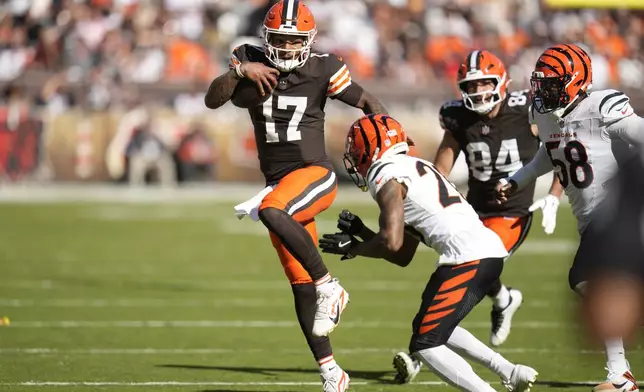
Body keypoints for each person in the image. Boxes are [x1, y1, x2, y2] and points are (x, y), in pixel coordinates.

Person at [204, 1, 387, 391]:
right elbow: (213, 98)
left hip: (314, 174)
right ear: (266, 39)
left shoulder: (323, 67)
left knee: (271, 212)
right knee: (301, 286)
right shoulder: (248, 57)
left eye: (294, 41)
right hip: (279, 184)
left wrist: (392, 155)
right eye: (280, 41)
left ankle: (331, 285)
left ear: (308, 41)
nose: (286, 49)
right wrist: (239, 70)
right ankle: (332, 373)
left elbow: (369, 103)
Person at [320, 113, 538, 392]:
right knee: (429, 327)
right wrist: (362, 232)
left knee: (426, 343)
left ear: (371, 148)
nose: (355, 157)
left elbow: (391, 243)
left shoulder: (385, 173)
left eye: (357, 149)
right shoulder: (415, 165)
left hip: (466, 258)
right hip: (484, 253)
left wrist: (355, 246)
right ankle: (510, 371)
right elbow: (403, 254)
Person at [495, 43, 644, 392]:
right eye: (541, 83)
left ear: (576, 81)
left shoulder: (602, 107)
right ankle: (620, 374)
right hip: (593, 220)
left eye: (551, 83)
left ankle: (619, 375)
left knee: (586, 278)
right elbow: (550, 155)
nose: (543, 91)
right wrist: (517, 180)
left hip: (619, 216)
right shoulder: (545, 114)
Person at [434, 49, 562, 348]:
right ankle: (504, 299)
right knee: (459, 264)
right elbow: (443, 162)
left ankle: (431, 340)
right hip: (473, 209)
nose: (478, 91)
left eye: (485, 83)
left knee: (472, 270)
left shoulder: (527, 110)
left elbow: (562, 150)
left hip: (513, 211)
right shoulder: (457, 117)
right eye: (471, 85)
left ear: (502, 82)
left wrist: (555, 195)